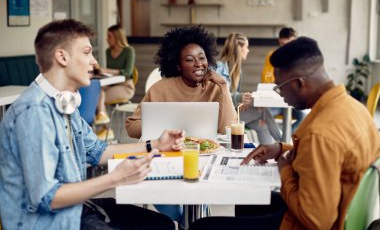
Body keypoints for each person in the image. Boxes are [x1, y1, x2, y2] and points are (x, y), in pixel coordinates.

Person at [0, 19, 185, 230]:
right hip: (48, 222)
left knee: (159, 224)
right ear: (62, 57)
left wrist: (156, 145)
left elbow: (98, 150)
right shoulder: (34, 113)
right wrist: (115, 178)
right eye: (87, 52)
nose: (94, 62)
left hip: (74, 209)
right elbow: (47, 198)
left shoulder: (64, 104)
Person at [189, 37, 380, 230]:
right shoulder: (354, 108)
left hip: (304, 223)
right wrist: (282, 148)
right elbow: (332, 155)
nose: (281, 95)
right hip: (333, 208)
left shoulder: (319, 134)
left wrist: (285, 169)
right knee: (247, 200)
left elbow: (317, 220)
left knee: (202, 226)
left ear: (299, 83)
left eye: (280, 88)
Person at [126, 25, 237, 228]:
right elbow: (132, 126)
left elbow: (229, 127)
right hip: (167, 157)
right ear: (178, 65)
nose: (198, 64)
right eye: (189, 59)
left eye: (202, 57)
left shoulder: (215, 87)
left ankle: (190, 222)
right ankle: (185, 221)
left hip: (203, 158)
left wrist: (223, 87)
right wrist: (160, 129)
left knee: (199, 190)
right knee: (158, 189)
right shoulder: (160, 89)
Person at [215, 32, 282, 144]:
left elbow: (236, 97)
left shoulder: (238, 71)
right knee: (263, 111)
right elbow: (217, 97)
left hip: (235, 113)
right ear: (239, 48)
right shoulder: (219, 67)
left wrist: (245, 100)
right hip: (222, 117)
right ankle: (285, 144)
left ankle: (265, 157)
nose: (248, 50)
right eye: (246, 47)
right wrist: (240, 97)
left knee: (262, 125)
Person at [95, 25, 136, 140]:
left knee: (98, 98)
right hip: (112, 84)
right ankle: (105, 128)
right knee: (96, 93)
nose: (107, 39)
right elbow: (111, 74)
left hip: (125, 87)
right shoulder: (108, 51)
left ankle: (106, 129)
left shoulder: (129, 51)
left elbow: (127, 73)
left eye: (110, 36)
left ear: (117, 37)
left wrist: (107, 70)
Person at [262, 27, 306, 132]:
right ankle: (281, 141)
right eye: (283, 44)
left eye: (289, 44)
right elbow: (266, 80)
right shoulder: (272, 56)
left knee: (304, 117)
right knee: (263, 117)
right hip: (276, 101)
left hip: (294, 102)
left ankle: (284, 140)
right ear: (279, 42)